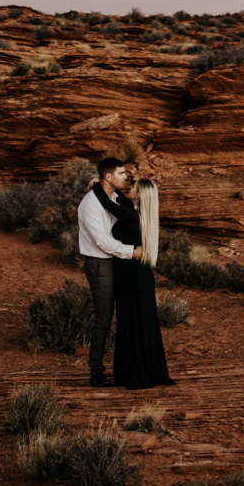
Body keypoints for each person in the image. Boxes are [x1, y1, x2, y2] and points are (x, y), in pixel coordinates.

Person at [111, 178, 176, 390]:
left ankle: (134, 374)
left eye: (133, 187)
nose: (129, 188)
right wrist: (114, 189)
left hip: (131, 279)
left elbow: (107, 203)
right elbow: (121, 199)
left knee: (132, 324)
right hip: (139, 277)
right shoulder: (141, 215)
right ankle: (145, 370)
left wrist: (100, 185)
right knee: (142, 326)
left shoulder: (131, 215)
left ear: (138, 195)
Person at [76, 156, 136, 387]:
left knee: (121, 313)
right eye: (121, 173)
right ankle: (96, 372)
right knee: (103, 318)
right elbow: (101, 240)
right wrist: (132, 252)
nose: (125, 176)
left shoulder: (112, 197)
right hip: (100, 264)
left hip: (116, 261)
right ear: (108, 176)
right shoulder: (90, 204)